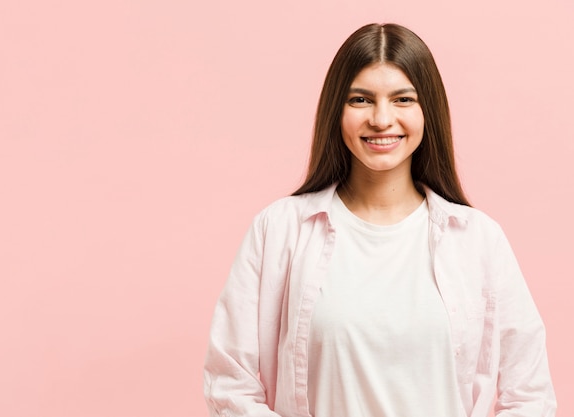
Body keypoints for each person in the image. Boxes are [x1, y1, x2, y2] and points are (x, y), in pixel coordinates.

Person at [203, 23, 556, 417]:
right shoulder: (279, 230)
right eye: (361, 100)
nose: (382, 118)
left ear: (429, 111)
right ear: (337, 109)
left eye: (403, 99)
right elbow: (229, 384)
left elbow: (529, 396)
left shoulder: (478, 239)